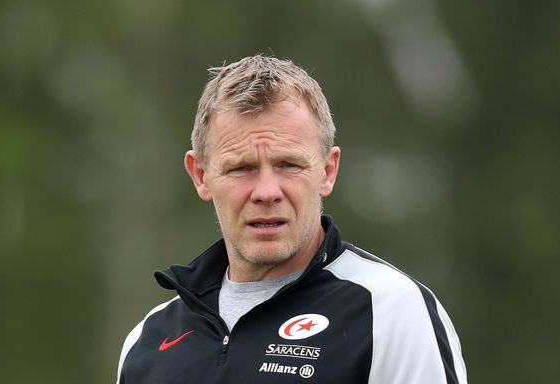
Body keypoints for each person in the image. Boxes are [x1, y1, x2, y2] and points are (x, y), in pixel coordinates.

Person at [116, 55, 467, 383]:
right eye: (242, 168)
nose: (267, 191)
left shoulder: (392, 312)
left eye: (288, 165)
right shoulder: (148, 339)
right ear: (201, 176)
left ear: (328, 171)